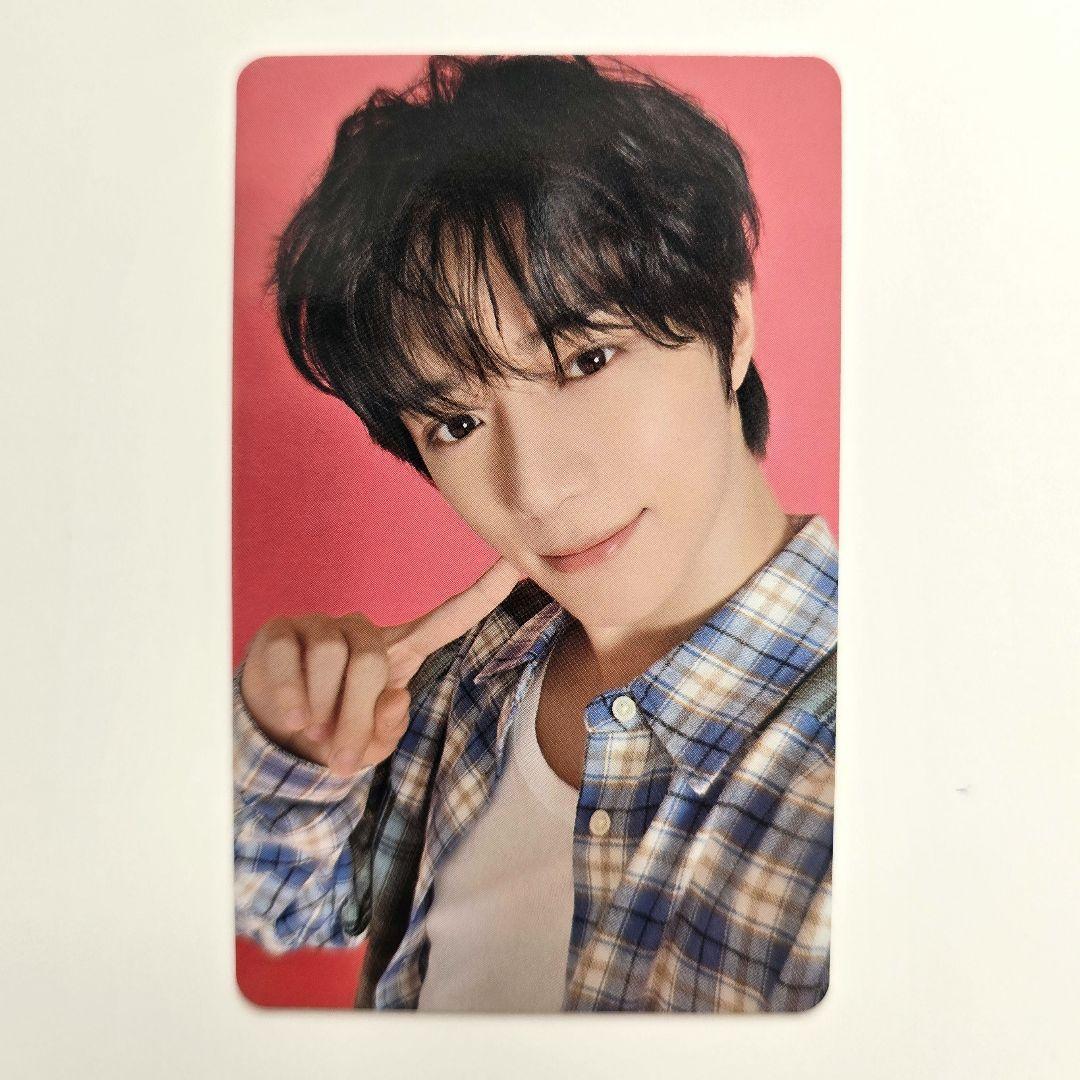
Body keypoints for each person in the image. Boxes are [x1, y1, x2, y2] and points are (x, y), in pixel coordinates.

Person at [233, 53, 838, 1013]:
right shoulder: (473, 673)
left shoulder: (883, 777)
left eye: (586, 360)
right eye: (456, 423)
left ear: (731, 323)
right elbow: (283, 904)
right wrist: (297, 746)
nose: (538, 489)